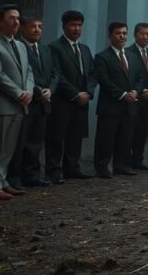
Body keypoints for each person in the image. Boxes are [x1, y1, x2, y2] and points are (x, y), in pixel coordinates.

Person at [0, 5, 34, 200]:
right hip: (0, 105)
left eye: (18, 18)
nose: (16, 22)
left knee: (8, 148)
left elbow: (28, 71)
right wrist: (19, 93)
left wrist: (29, 91)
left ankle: (2, 181)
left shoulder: (20, 45)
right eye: (12, 18)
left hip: (19, 104)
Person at [46, 10, 94, 182]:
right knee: (56, 138)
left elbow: (92, 74)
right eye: (73, 25)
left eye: (79, 25)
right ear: (64, 26)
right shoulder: (54, 47)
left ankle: (72, 168)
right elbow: (57, 74)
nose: (76, 29)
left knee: (76, 137)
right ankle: (54, 171)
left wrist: (88, 92)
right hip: (62, 101)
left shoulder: (85, 49)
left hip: (82, 102)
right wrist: (75, 94)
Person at [92, 22, 141, 178]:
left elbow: (140, 78)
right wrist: (122, 94)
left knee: (125, 138)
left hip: (130, 106)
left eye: (124, 33)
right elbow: (104, 80)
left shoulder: (133, 57)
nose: (122, 36)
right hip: (110, 106)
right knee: (106, 139)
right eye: (118, 33)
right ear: (110, 36)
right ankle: (102, 167)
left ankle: (122, 165)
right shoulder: (102, 57)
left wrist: (136, 91)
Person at [11, 13, 55, 188]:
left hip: (44, 103)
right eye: (33, 26)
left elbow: (55, 73)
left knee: (36, 143)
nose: (37, 30)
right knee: (20, 143)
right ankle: (15, 178)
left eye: (39, 27)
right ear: (22, 28)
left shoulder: (45, 49)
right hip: (26, 103)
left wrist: (50, 90)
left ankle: (32, 176)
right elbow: (19, 75)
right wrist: (37, 91)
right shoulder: (17, 47)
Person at [127, 23, 148, 170]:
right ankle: (125, 161)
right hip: (132, 100)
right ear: (135, 35)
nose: (145, 37)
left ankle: (138, 160)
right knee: (129, 132)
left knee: (142, 132)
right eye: (142, 34)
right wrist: (138, 90)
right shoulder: (128, 52)